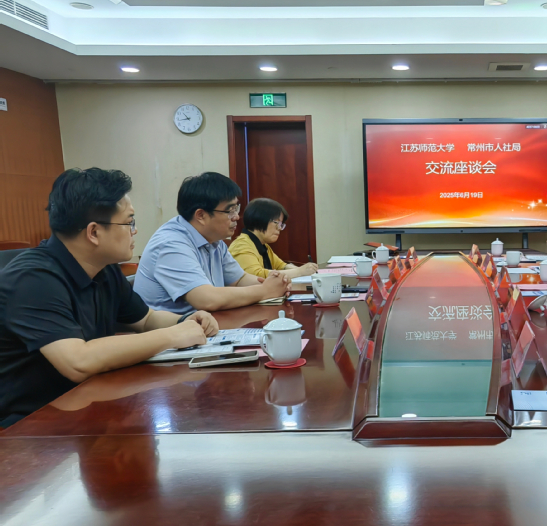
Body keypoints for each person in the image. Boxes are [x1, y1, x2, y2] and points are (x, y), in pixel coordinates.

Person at [0, 168, 218, 427]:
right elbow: (78, 361)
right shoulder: (32, 279)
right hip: (30, 427)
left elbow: (145, 319)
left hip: (87, 406)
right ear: (94, 232)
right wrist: (172, 336)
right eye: (129, 222)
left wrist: (186, 320)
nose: (135, 231)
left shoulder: (104, 268)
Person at [134, 172, 290, 313]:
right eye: (230, 211)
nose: (237, 217)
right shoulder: (171, 244)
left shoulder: (214, 240)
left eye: (236, 208)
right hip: (170, 332)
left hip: (204, 325)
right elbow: (206, 299)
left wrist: (275, 284)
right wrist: (264, 291)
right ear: (201, 215)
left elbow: (239, 280)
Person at [228, 198, 317, 279]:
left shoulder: (262, 245)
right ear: (260, 219)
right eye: (277, 223)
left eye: (281, 224)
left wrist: (305, 270)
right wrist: (299, 272)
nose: (279, 228)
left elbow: (282, 266)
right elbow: (256, 276)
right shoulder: (241, 245)